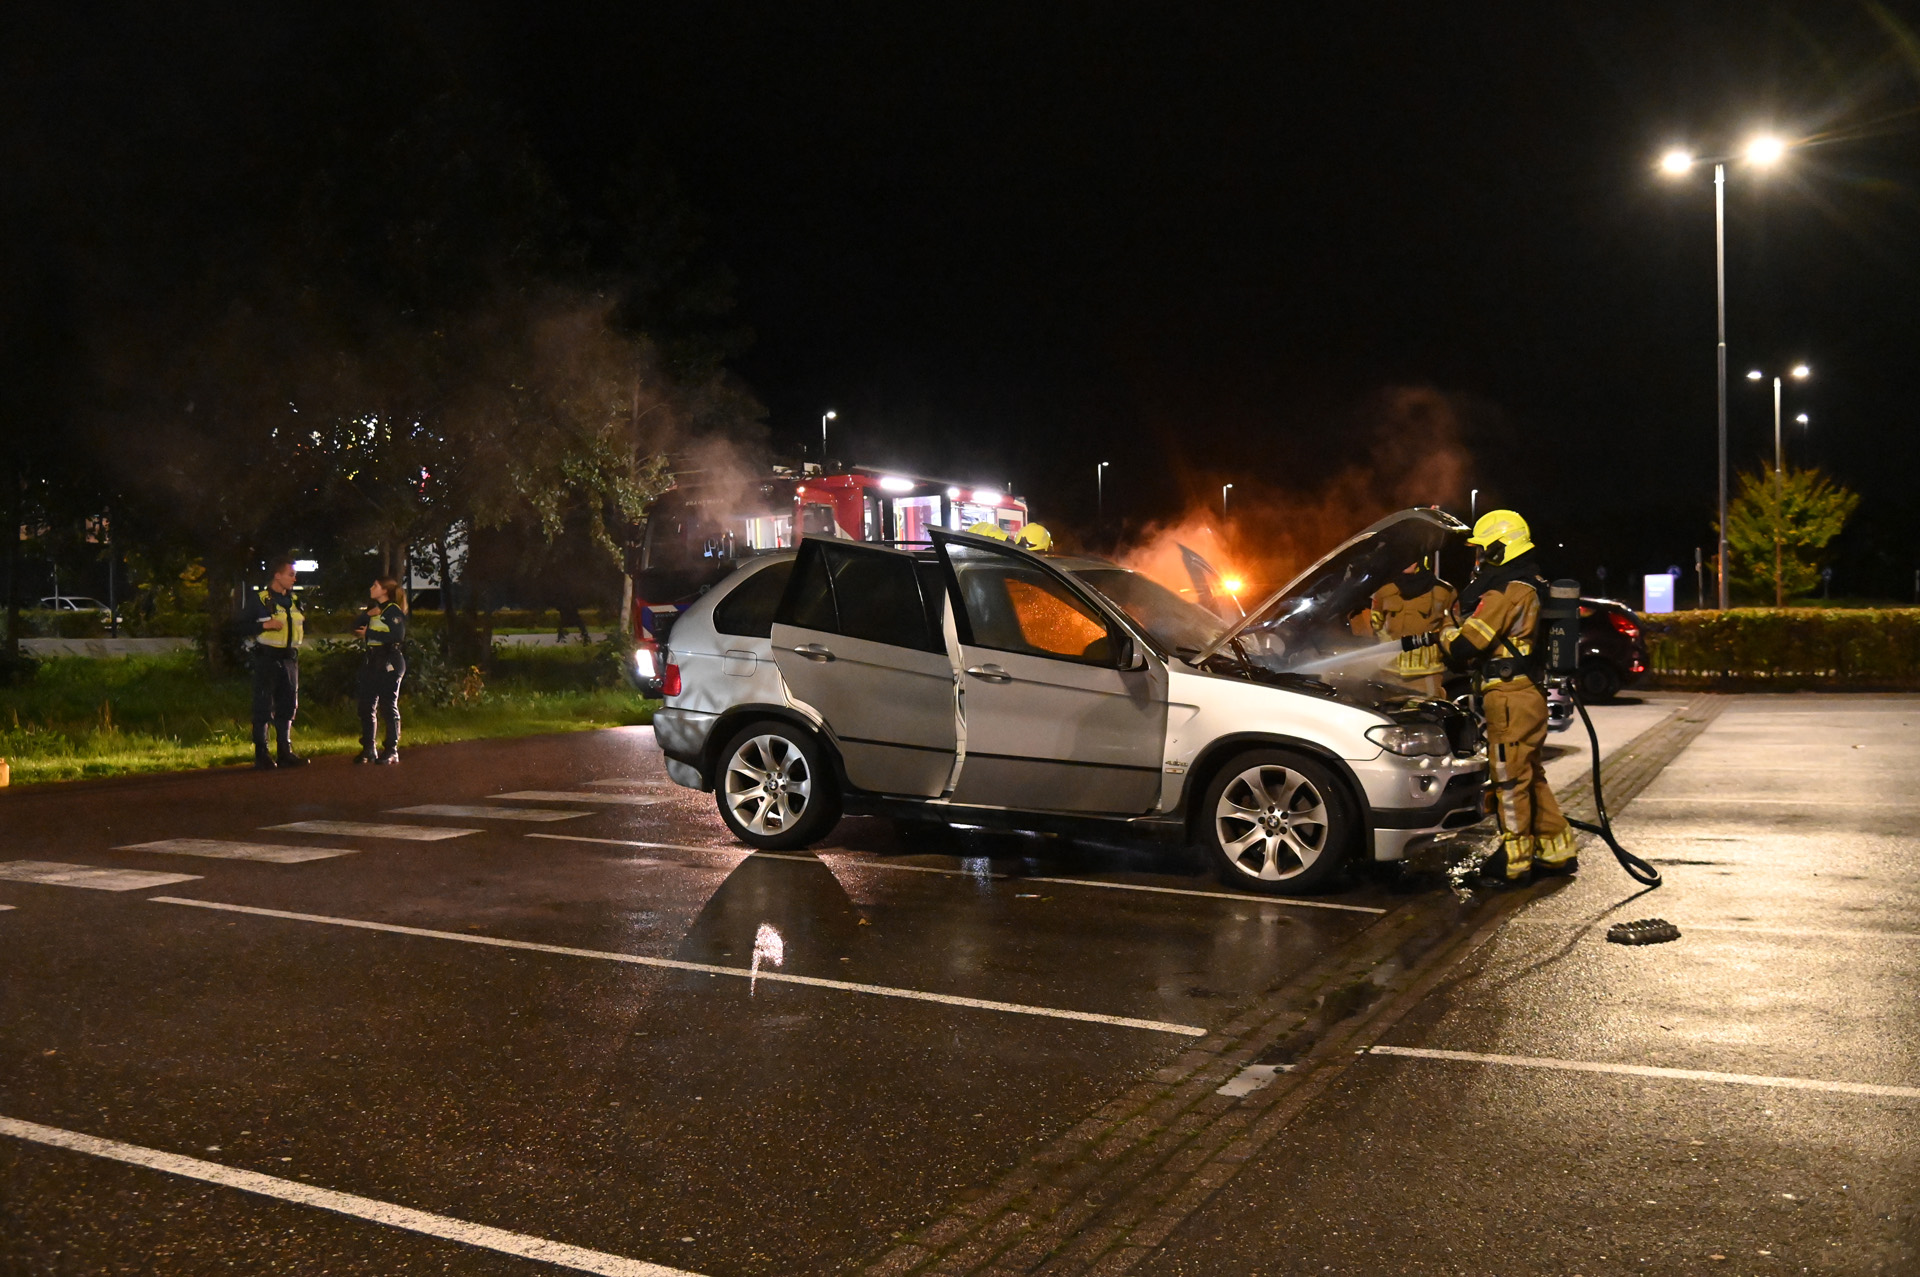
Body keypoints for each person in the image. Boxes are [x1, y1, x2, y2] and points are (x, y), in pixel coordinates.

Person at [1406, 510, 1575, 882]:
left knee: (1509, 780)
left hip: (1509, 698)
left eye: (1485, 551)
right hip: (1526, 693)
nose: (1481, 559)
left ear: (1502, 547)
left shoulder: (1506, 590)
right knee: (1531, 774)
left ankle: (1513, 860)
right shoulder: (1531, 582)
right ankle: (1556, 849)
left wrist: (1446, 627)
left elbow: (1468, 645)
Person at [239, 558, 307, 770]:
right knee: (263, 706)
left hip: (289, 658)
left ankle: (285, 752)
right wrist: (264, 626)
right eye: (291, 574)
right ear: (277, 576)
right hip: (267, 658)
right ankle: (262, 754)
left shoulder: (294, 600)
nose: (294, 578)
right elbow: (239, 626)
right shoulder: (259, 599)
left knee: (288, 705)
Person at [1365, 556, 1456, 697]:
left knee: (1425, 717)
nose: (1406, 562)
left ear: (1422, 560)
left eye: (1411, 557)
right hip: (1389, 673)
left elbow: (1451, 628)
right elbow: (1376, 625)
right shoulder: (1383, 591)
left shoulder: (1445, 592)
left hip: (1425, 674)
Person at [351, 577, 408, 764]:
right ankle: (369, 748)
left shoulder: (392, 611)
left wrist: (369, 633)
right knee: (366, 706)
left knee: (387, 706)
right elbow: (355, 627)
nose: (371, 587)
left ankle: (392, 749)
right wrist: (368, 615)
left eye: (375, 585)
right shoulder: (376, 609)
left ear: (385, 591)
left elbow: (397, 635)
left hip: (389, 660)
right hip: (373, 660)